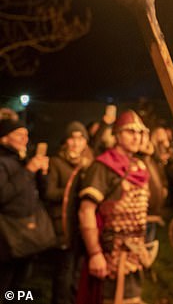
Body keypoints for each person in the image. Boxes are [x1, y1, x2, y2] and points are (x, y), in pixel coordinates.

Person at [76, 110, 151, 304]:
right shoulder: (103, 166)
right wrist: (95, 254)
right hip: (110, 255)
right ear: (117, 135)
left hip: (134, 254)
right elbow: (86, 211)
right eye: (130, 132)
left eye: (140, 133)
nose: (137, 137)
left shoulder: (139, 166)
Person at [44, 121, 93, 304]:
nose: (76, 142)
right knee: (64, 269)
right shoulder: (57, 162)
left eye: (80, 138)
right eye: (72, 138)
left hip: (82, 224)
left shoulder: (89, 163)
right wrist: (72, 192)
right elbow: (49, 192)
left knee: (79, 270)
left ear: (86, 142)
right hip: (63, 224)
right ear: (66, 141)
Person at [0, 117, 50, 293]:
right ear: (4, 138)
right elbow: (3, 194)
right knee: (5, 281)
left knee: (19, 284)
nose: (25, 139)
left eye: (26, 135)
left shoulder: (21, 160)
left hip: (25, 234)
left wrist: (42, 172)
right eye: (19, 134)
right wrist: (28, 171)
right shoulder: (3, 162)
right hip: (7, 235)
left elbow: (42, 193)